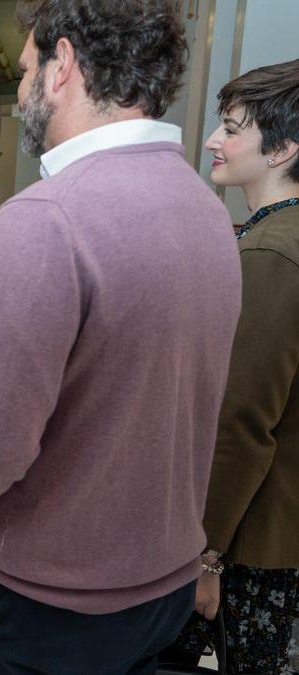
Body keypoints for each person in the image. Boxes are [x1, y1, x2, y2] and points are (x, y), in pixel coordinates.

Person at [0, 1, 243, 672]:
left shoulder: (45, 218)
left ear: (63, 64)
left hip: (49, 603)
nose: (25, 87)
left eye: (29, 67)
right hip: (160, 586)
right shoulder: (209, 211)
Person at [163, 59, 299, 674]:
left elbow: (242, 423)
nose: (214, 141)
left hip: (266, 539)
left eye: (232, 128)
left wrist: (207, 555)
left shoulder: (271, 251)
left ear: (284, 149)